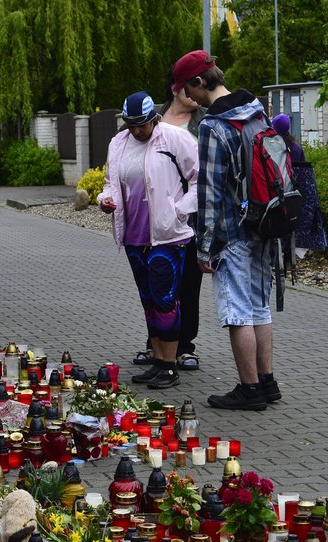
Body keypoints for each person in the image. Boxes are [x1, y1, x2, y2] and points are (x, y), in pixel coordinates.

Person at [171, 50, 281, 411]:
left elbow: (211, 192)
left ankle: (249, 390)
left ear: (200, 82)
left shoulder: (214, 125)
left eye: (190, 90)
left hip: (233, 231)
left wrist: (204, 248)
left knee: (237, 312)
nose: (190, 98)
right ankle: (267, 382)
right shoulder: (256, 109)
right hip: (266, 221)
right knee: (259, 306)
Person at [98, 91, 199, 389]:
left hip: (168, 236)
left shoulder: (175, 139)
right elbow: (110, 183)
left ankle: (169, 365)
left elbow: (201, 179)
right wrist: (106, 199)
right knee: (149, 301)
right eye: (131, 125)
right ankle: (157, 361)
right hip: (134, 235)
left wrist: (180, 210)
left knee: (166, 299)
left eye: (142, 124)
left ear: (154, 119)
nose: (137, 130)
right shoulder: (118, 143)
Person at [133, 72, 208, 371]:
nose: (198, 92)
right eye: (192, 85)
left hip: (189, 217)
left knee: (188, 282)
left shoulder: (204, 122)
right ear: (177, 87)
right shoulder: (153, 116)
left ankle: (185, 345)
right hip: (149, 218)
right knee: (155, 285)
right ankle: (157, 343)